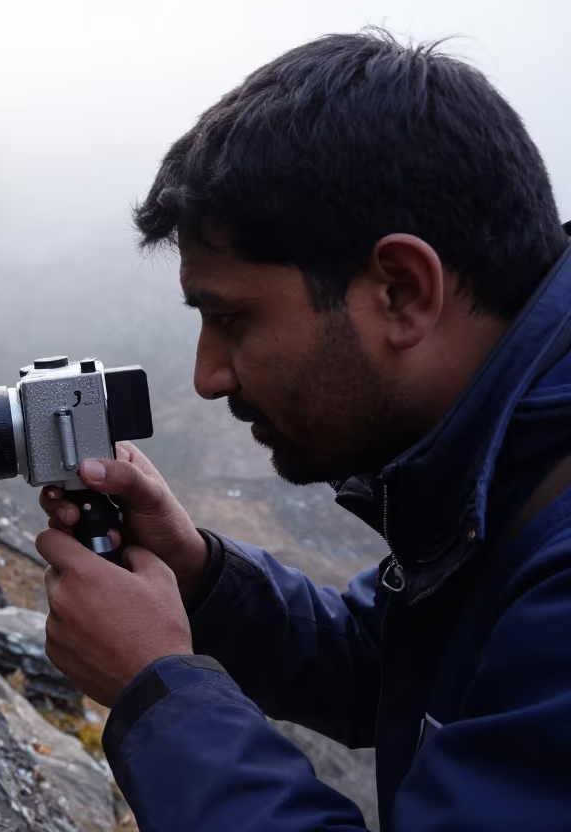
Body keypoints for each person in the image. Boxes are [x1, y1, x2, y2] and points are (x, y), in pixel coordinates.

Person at [38, 29, 571, 832]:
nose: (207, 375)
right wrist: (200, 575)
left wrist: (157, 689)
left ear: (401, 292)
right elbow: (386, 667)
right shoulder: (502, 467)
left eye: (230, 317)